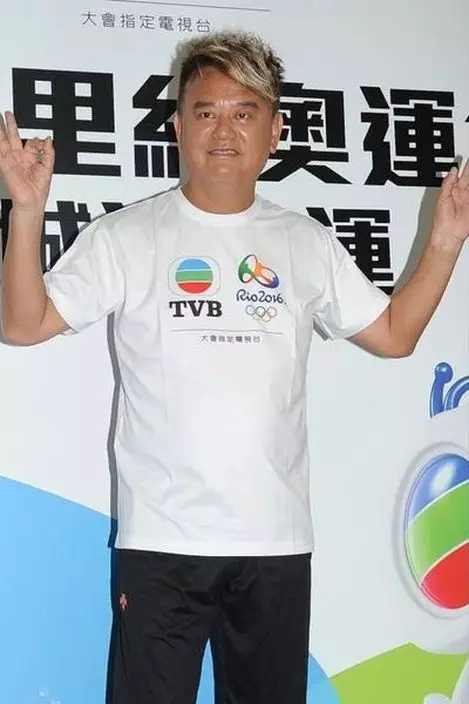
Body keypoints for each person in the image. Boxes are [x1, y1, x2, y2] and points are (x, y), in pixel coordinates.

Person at [1, 30, 469, 704]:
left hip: (275, 544)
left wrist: (446, 240)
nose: (224, 130)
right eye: (206, 112)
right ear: (177, 127)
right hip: (162, 545)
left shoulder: (304, 242)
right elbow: (22, 324)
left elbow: (395, 335)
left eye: (244, 112)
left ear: (275, 131)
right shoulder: (126, 236)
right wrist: (26, 211)